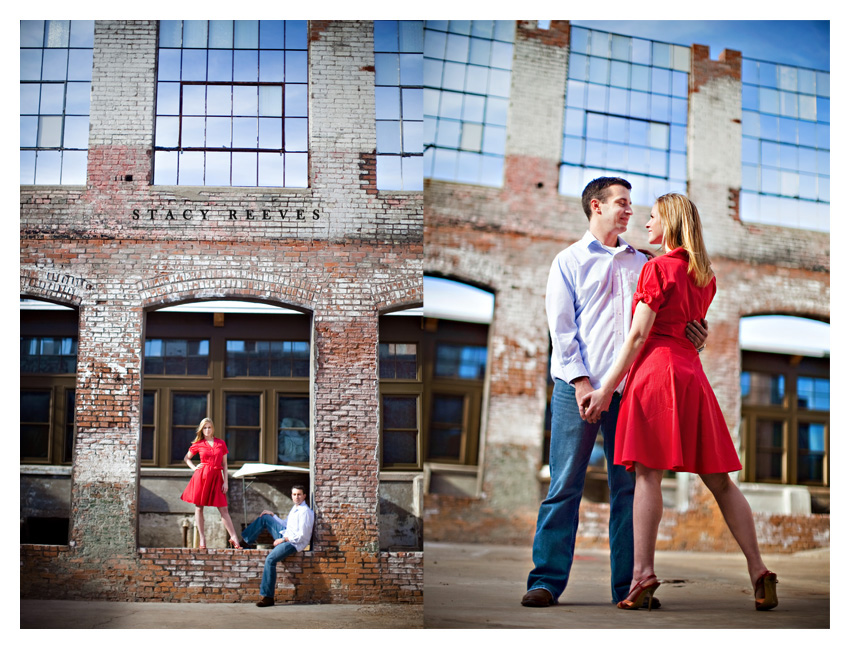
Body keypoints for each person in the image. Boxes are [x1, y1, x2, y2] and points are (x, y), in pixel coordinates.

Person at [582, 192, 778, 611]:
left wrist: (604, 390)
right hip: (692, 376)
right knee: (721, 481)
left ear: (668, 223)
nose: (646, 223)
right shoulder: (705, 276)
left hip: (656, 374)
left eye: (652, 217)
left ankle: (641, 576)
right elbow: (694, 328)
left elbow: (637, 337)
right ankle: (759, 568)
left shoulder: (656, 268)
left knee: (648, 477)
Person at [522, 177, 708, 608]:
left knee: (629, 489)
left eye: (631, 205)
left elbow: (665, 316)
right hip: (578, 390)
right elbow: (562, 332)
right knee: (564, 484)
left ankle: (630, 585)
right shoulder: (568, 262)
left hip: (632, 391)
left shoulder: (643, 262)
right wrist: (586, 384)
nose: (630, 212)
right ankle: (546, 580)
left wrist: (695, 332)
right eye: (622, 204)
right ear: (596, 206)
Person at [241, 485, 315, 607]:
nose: (296, 497)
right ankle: (244, 541)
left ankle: (268, 597)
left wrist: (283, 539)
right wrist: (273, 516)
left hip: (293, 543)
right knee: (265, 517)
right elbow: (286, 524)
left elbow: (302, 536)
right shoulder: (295, 508)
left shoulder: (305, 512)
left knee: (270, 560)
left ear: (304, 496)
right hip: (286, 535)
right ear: (291, 496)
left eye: (299, 494)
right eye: (294, 494)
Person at [180, 418, 242, 549]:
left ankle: (234, 537)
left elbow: (225, 465)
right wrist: (194, 467)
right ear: (201, 430)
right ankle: (202, 540)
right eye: (204, 428)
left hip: (217, 478)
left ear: (213, 428)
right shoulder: (199, 444)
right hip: (201, 477)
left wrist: (226, 482)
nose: (207, 430)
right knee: (199, 507)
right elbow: (187, 458)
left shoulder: (221, 443)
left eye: (209, 427)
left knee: (223, 508)